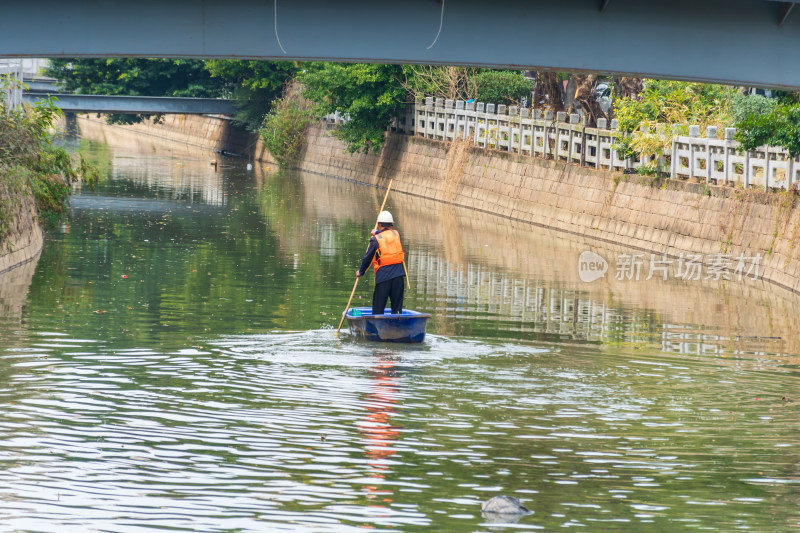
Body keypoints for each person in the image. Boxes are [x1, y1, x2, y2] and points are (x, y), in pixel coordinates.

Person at [356, 210, 405, 315]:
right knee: (397, 311)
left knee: (378, 310)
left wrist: (361, 271)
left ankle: (377, 329)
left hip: (383, 278)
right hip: (399, 277)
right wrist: (377, 233)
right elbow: (388, 235)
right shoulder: (397, 235)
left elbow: (367, 258)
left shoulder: (375, 240)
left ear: (378, 224)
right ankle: (397, 328)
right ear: (391, 224)